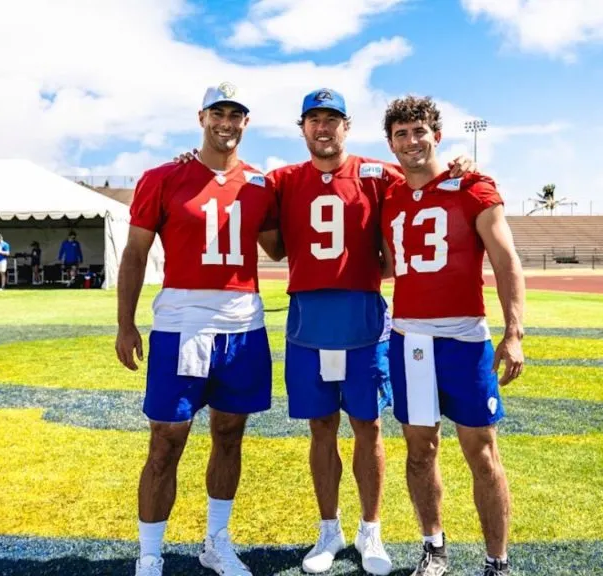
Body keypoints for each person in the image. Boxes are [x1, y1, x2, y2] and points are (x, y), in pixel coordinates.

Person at [173, 87, 477, 576]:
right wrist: (192, 160)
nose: (323, 127)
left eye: (332, 119)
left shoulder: (377, 174)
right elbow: (234, 187)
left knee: (368, 427)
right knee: (321, 429)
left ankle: (370, 528)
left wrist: (461, 163)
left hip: (363, 322)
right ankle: (328, 529)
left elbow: (426, 173)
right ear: (302, 128)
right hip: (308, 324)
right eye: (314, 119)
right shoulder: (281, 180)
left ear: (346, 126)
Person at [114, 82, 282, 576]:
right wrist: (125, 323)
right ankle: (150, 554)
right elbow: (135, 253)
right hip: (181, 323)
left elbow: (279, 246)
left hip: (242, 324)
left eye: (235, 114)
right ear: (202, 117)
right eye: (217, 113)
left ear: (246, 122)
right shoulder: (163, 177)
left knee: (229, 435)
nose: (226, 123)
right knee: (166, 440)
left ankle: (216, 542)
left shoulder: (261, 184)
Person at [379, 95, 525, 576]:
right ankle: (434, 548)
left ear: (437, 136)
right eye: (401, 134)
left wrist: (514, 331)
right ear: (391, 143)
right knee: (420, 451)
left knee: (482, 452)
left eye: (419, 131)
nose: (411, 141)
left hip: (464, 340)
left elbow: (505, 261)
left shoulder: (473, 186)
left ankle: (497, 561)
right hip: (409, 341)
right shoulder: (389, 194)